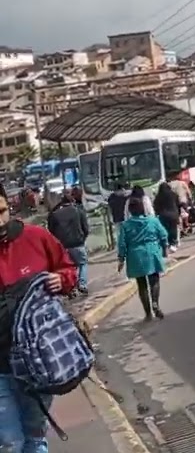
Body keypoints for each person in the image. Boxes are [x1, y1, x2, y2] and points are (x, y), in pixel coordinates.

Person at [0, 183, 78, 453]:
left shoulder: (36, 237)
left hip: (36, 363)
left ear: (7, 206)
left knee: (34, 439)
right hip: (0, 367)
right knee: (10, 443)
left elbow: (68, 269)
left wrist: (62, 278)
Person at [116, 194, 167, 321]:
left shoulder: (125, 225)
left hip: (135, 255)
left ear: (130, 211)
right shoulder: (152, 221)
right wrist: (164, 249)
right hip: (152, 252)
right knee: (154, 280)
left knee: (142, 284)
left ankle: (148, 312)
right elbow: (163, 234)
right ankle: (155, 303)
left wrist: (121, 259)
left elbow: (122, 244)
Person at [45, 193, 90, 297]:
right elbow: (85, 227)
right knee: (82, 263)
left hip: (63, 246)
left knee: (70, 267)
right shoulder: (78, 211)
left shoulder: (55, 214)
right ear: (72, 201)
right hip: (78, 243)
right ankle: (82, 284)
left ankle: (71, 288)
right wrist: (83, 238)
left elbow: (51, 231)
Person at [152, 182, 181, 253]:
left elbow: (156, 206)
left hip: (163, 215)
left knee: (165, 230)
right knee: (173, 229)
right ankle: (173, 243)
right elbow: (178, 204)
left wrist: (157, 214)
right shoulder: (174, 194)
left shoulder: (158, 196)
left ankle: (166, 244)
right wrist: (178, 214)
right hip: (173, 214)